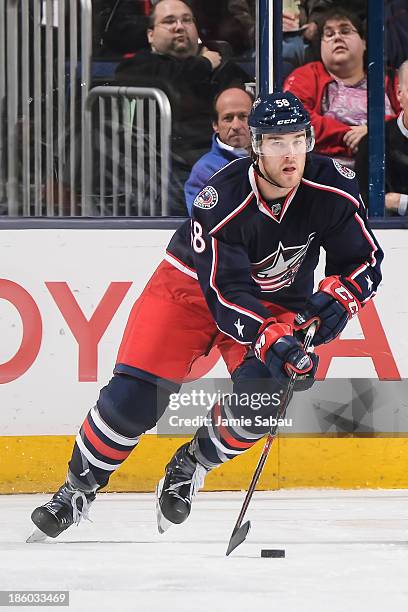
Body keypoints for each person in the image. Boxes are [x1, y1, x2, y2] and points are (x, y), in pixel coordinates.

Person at [28, 92, 383, 541]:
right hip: (189, 291)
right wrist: (272, 338)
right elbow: (226, 293)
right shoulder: (220, 199)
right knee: (135, 399)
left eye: (298, 140)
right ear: (255, 146)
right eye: (275, 142)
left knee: (263, 398)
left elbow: (364, 260)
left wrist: (338, 298)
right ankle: (76, 490)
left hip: (276, 302)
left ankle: (190, 464)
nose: (290, 153)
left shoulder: (333, 186)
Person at [115, 0, 250, 215]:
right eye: (169, 21)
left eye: (187, 20)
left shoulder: (223, 66)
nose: (179, 26)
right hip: (167, 168)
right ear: (151, 35)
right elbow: (168, 83)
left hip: (222, 160)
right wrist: (203, 65)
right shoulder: (138, 66)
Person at [284, 8, 400, 167]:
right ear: (320, 47)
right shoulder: (305, 76)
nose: (337, 37)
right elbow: (294, 118)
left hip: (388, 174)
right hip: (325, 174)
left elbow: (406, 119)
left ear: (364, 42)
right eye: (329, 34)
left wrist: (376, 130)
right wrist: (355, 136)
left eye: (345, 31)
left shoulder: (391, 79)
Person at [184, 87, 253, 214]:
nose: (236, 126)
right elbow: (201, 220)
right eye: (228, 118)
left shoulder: (270, 160)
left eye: (243, 117)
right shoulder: (204, 170)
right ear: (215, 125)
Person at [355, 59, 408, 216]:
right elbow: (363, 202)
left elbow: (387, 201)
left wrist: (400, 202)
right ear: (400, 94)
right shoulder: (373, 143)